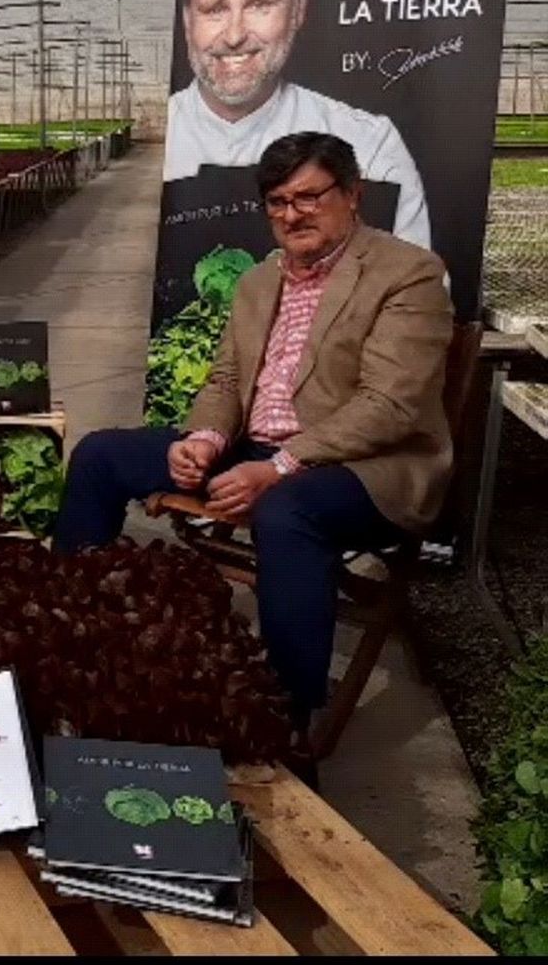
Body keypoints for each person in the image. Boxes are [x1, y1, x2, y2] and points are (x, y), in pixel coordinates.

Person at [57, 131, 453, 723]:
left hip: (365, 465)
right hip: (256, 448)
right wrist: (205, 440)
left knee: (287, 511)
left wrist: (279, 466)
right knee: (100, 455)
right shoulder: (259, 281)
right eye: (277, 203)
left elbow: (389, 405)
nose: (292, 215)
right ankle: (72, 635)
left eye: (308, 197)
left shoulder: (407, 274)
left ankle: (283, 717)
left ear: (351, 194)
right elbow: (224, 382)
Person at [165, 0, 431, 250]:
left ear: (299, 8)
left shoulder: (369, 145)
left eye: (259, 4)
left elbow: (416, 291)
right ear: (187, 19)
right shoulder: (155, 142)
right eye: (215, 9)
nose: (234, 35)